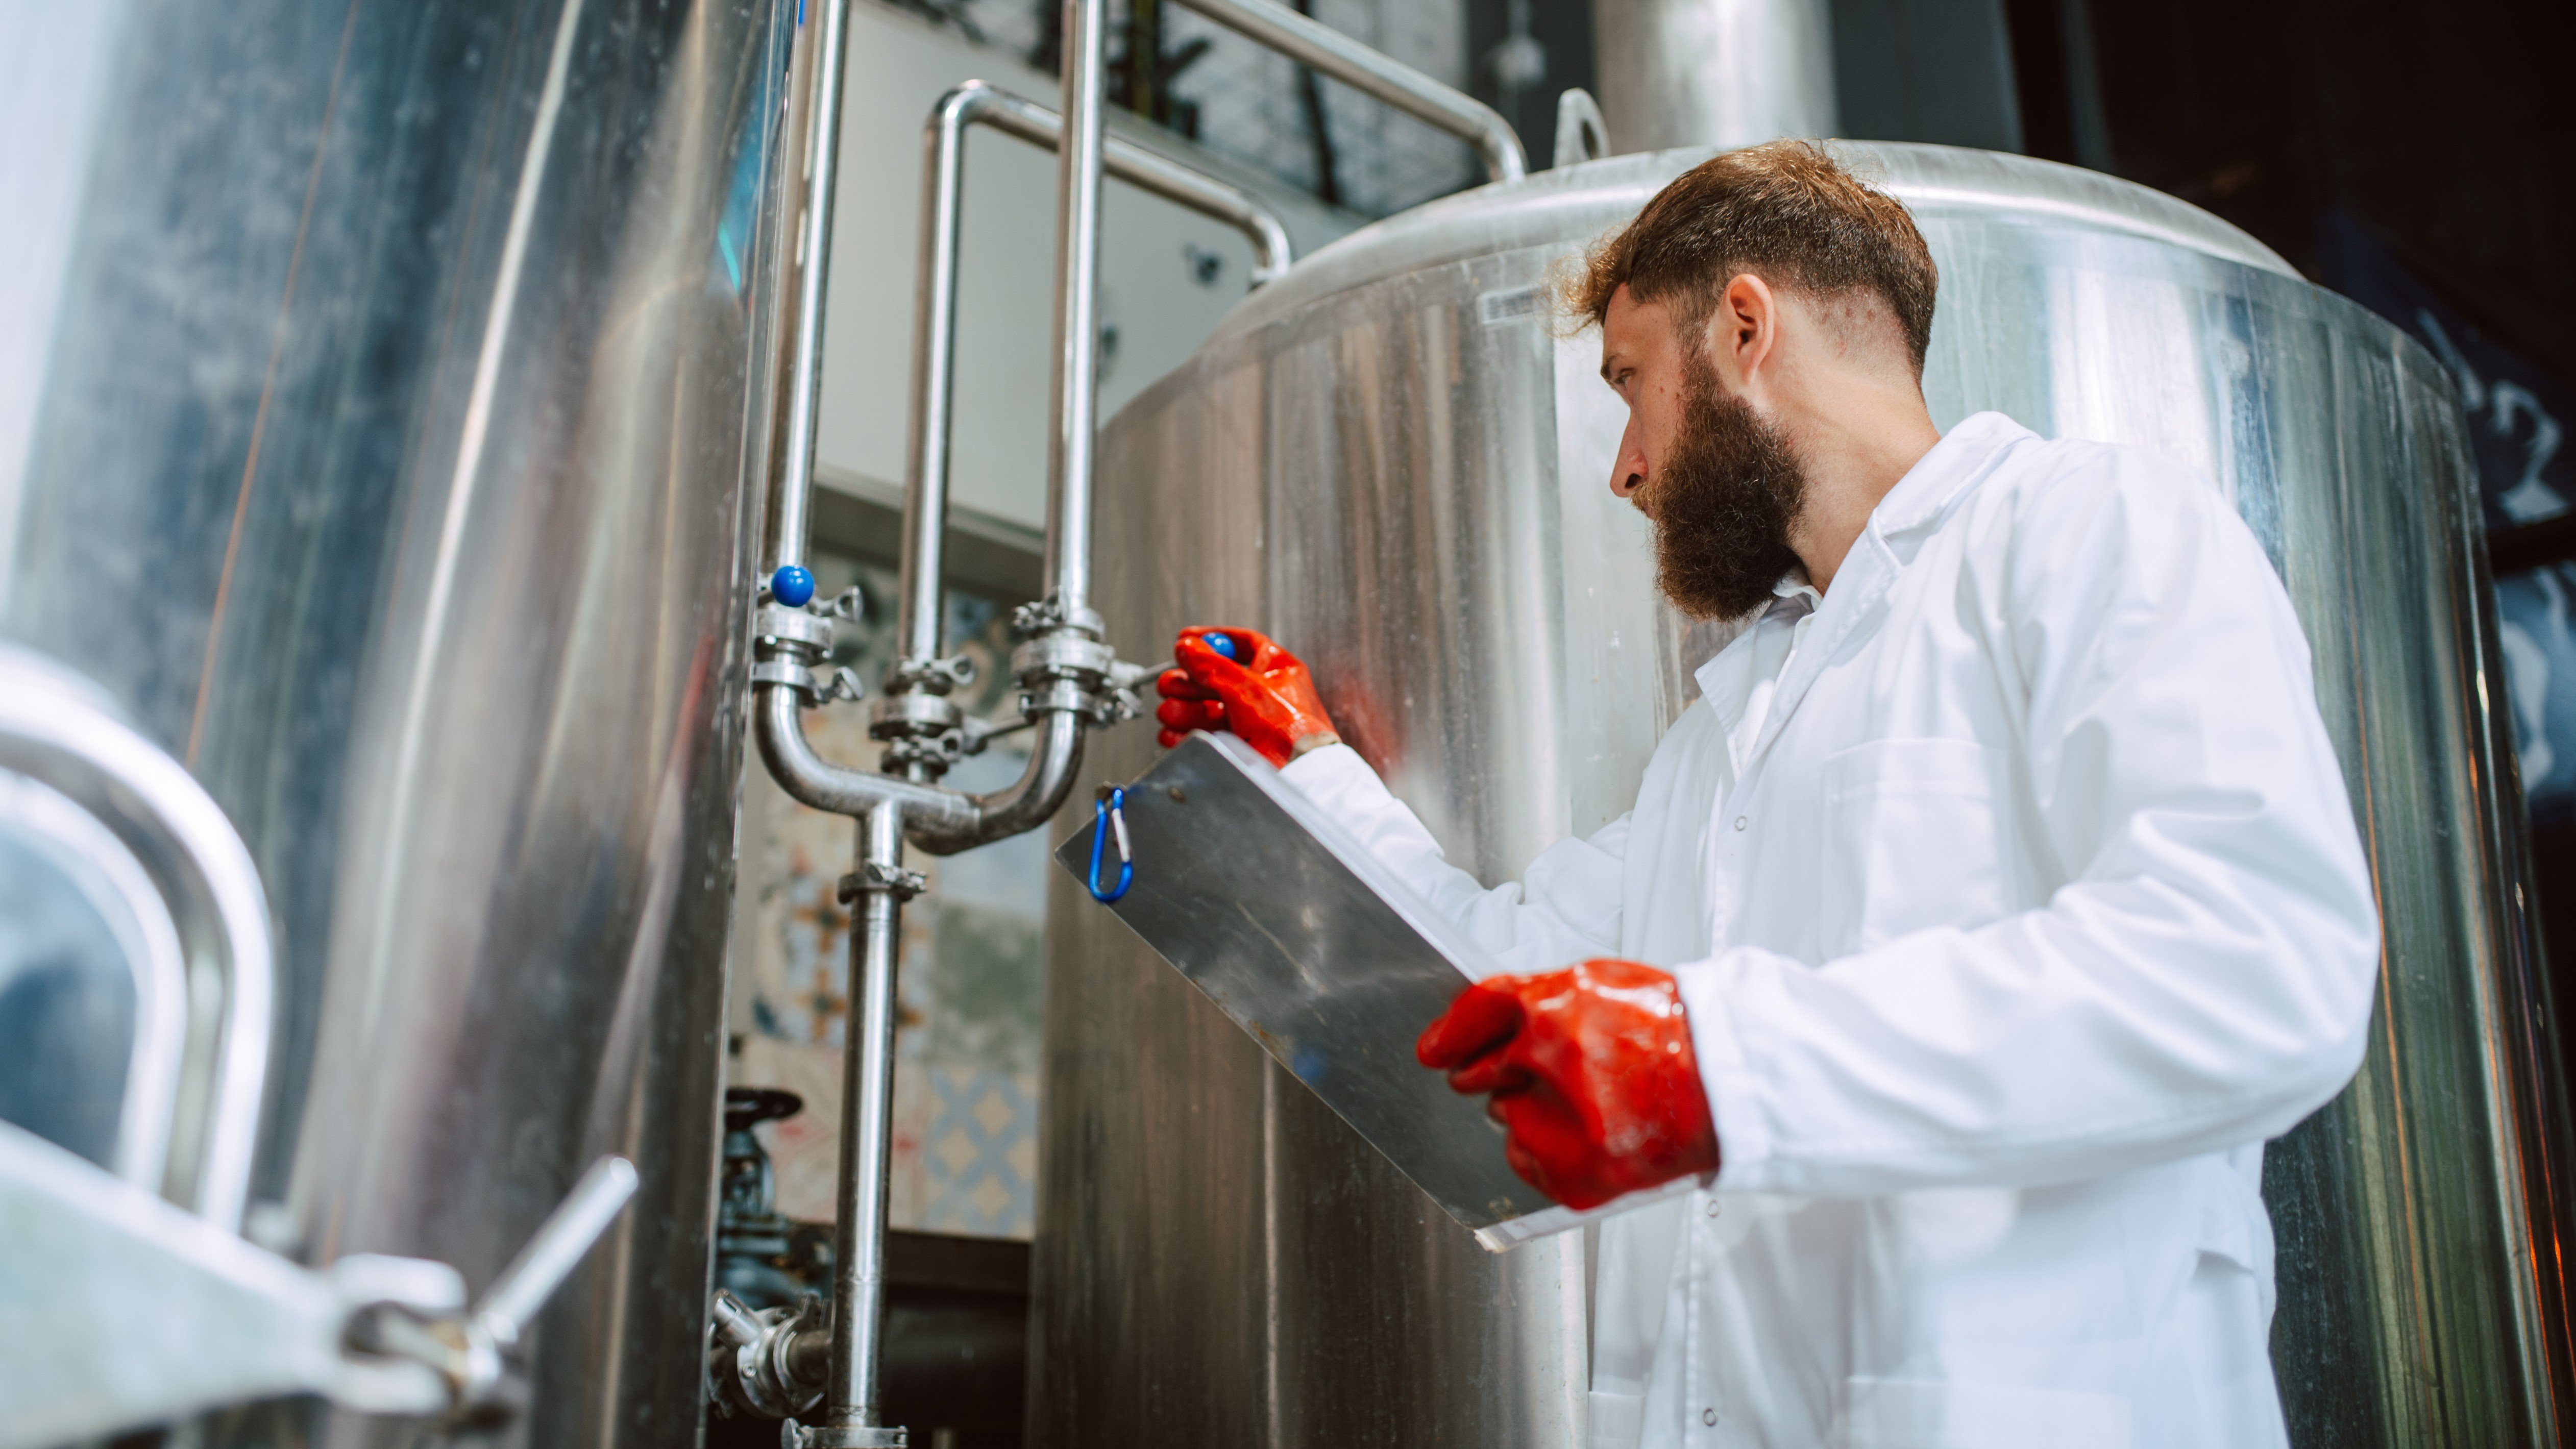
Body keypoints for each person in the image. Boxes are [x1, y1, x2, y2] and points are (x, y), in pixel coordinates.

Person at [1155, 141, 2382, 1449]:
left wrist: (1718, 1060)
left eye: (1631, 388)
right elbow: (1489, 991)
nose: (1623, 468)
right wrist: (1308, 775)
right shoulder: (1728, 731)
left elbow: (2254, 963)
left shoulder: (2084, 532)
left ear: (1744, 326)